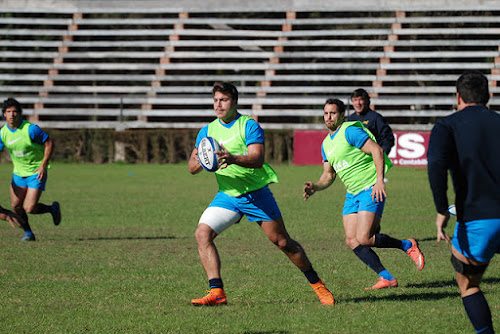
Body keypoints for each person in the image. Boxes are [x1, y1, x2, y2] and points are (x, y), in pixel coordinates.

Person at [188, 82, 334, 306]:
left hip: (255, 195)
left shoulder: (248, 126)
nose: (218, 104)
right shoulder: (207, 131)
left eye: (223, 100)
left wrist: (233, 157)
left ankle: (318, 285)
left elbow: (257, 159)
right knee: (202, 235)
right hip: (227, 195)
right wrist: (201, 162)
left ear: (234, 102)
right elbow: (192, 166)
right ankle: (217, 292)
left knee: (284, 243)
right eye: (216, 100)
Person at [303, 98, 424, 290]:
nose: (328, 117)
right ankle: (387, 278)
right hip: (352, 194)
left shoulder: (350, 130)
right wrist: (315, 187)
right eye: (326, 113)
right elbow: (328, 174)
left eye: (333, 113)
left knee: (365, 238)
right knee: (352, 240)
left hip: (369, 187)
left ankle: (407, 245)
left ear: (342, 115)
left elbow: (377, 151)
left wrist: (378, 181)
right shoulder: (326, 144)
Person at [427, 70, 500, 334]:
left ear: (457, 97)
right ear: (488, 96)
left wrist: (440, 208)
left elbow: (435, 165)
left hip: (479, 219)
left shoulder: (447, 125)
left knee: (468, 284)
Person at [0, 98, 61, 241]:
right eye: (8, 112)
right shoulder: (2, 133)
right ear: (4, 114)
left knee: (29, 208)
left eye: (15, 112)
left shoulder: (30, 129)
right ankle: (28, 234)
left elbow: (49, 143)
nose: (12, 115)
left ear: (20, 114)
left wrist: (43, 165)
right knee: (16, 207)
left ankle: (52, 209)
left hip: (35, 173)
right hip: (18, 174)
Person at [347, 88, 394, 156]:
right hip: (356, 161)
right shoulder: (350, 119)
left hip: (372, 160)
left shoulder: (376, 118)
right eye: (355, 100)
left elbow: (388, 139)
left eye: (361, 99)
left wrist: (381, 155)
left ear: (367, 101)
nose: (358, 103)